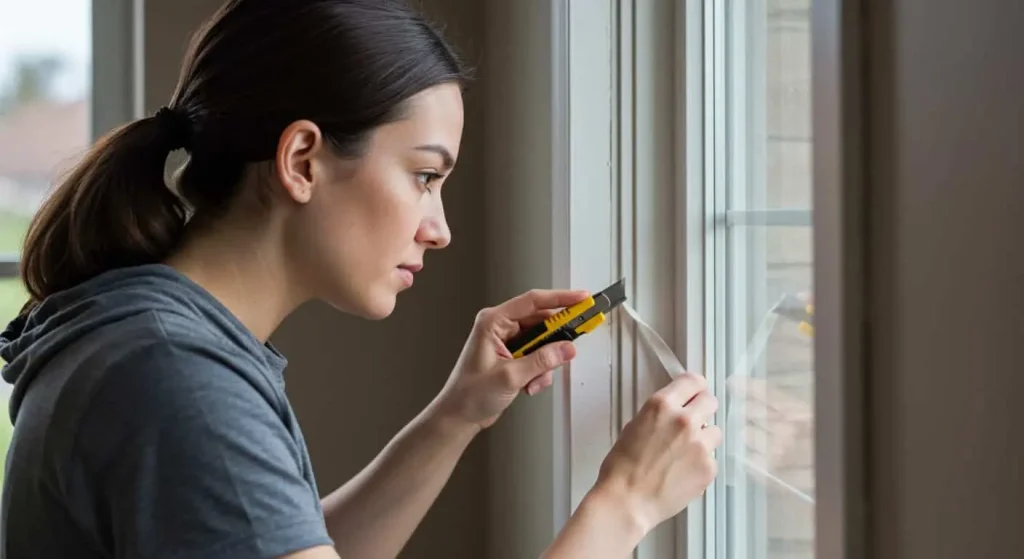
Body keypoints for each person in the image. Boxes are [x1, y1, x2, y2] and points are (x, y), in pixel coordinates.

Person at [0, 1, 722, 557]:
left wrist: (457, 414)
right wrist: (622, 505)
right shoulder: (176, 377)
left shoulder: (157, 339)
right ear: (303, 160)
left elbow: (282, 539)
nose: (439, 228)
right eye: (424, 176)